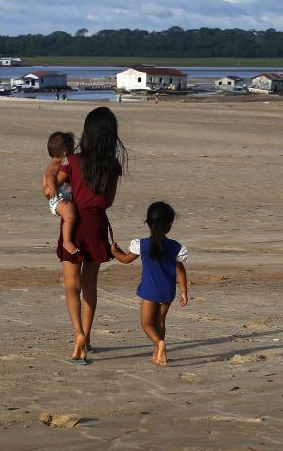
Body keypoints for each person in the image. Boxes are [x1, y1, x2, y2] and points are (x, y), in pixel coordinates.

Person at [56, 107, 127, 364]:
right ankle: (86, 337)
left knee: (72, 287)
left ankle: (77, 334)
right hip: (97, 224)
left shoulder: (73, 161)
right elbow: (109, 200)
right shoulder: (113, 166)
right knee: (90, 287)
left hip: (74, 223)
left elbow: (56, 186)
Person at [110, 201, 189, 367]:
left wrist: (114, 252)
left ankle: (159, 344)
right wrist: (184, 292)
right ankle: (158, 355)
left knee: (147, 324)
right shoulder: (175, 247)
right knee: (160, 321)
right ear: (169, 225)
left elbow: (125, 260)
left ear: (148, 223)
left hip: (149, 291)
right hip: (168, 291)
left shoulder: (142, 245)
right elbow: (180, 271)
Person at [42, 131, 79, 256]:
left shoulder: (60, 162)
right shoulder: (55, 163)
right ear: (65, 152)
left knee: (72, 213)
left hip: (64, 196)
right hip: (58, 198)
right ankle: (67, 241)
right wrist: (52, 188)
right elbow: (50, 176)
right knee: (69, 215)